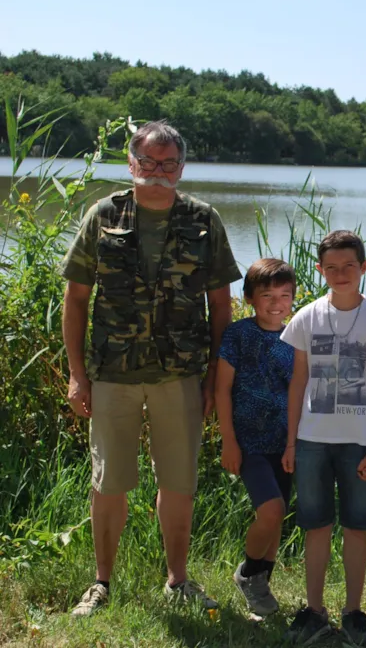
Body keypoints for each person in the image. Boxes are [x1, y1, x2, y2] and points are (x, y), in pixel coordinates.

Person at [62, 120, 241, 616]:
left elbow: (222, 310)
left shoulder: (204, 220)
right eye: (148, 162)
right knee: (109, 481)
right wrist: (78, 374)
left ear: (181, 168)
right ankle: (101, 583)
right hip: (112, 373)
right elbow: (76, 298)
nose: (157, 172)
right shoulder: (104, 215)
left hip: (179, 374)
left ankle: (177, 579)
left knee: (178, 481)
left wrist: (213, 379)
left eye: (167, 164)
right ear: (131, 162)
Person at [279, 231, 366, 646]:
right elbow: (298, 383)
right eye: (331, 267)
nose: (341, 274)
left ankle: (353, 612)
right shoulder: (306, 318)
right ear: (320, 270)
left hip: (359, 443)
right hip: (312, 440)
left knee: (356, 528)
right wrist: (292, 441)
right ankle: (314, 610)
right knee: (315, 526)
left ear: (364, 267)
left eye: (349, 265)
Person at [215, 258, 296, 616]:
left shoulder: (296, 337)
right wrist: (228, 441)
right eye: (267, 295)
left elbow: (299, 392)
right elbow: (222, 390)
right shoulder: (238, 335)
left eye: (285, 295)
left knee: (277, 517)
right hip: (249, 443)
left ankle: (261, 589)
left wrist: (295, 442)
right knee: (271, 509)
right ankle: (247, 573)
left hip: (284, 444)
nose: (276, 303)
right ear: (249, 297)